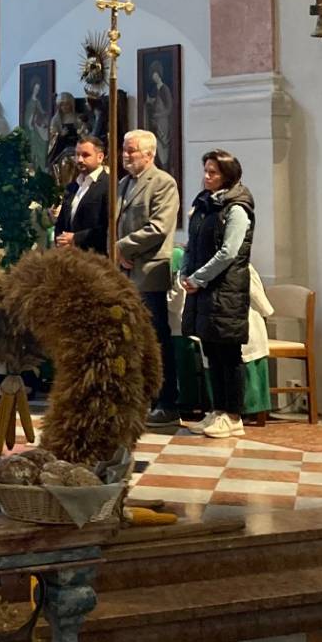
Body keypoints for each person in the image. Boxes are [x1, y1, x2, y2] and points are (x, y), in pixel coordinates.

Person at [182, 149, 254, 439]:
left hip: (226, 290)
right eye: (206, 171)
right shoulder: (204, 204)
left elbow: (228, 253)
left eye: (213, 172)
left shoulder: (237, 208)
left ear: (227, 175)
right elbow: (192, 243)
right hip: (204, 288)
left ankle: (233, 415)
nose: (207, 176)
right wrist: (185, 273)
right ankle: (218, 410)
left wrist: (199, 278)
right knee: (211, 350)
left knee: (228, 352)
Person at [113, 129, 182, 429]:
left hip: (149, 271)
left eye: (132, 151)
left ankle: (167, 402)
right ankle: (138, 399)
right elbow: (114, 222)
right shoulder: (123, 184)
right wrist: (116, 250)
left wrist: (122, 247)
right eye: (125, 150)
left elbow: (158, 226)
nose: (126, 156)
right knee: (129, 339)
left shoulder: (163, 183)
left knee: (154, 339)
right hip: (123, 271)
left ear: (150, 154)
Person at [53, 136, 111, 254]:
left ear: (100, 157)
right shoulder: (73, 187)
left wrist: (75, 238)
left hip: (95, 258)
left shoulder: (109, 185)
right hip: (69, 257)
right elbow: (61, 222)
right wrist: (60, 240)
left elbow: (108, 226)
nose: (79, 160)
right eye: (77, 154)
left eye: (85, 155)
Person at [242, 265, 275, 427]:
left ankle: (252, 409)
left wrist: (266, 311)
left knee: (249, 358)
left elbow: (255, 293)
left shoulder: (244, 267)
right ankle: (245, 409)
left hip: (248, 320)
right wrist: (267, 311)